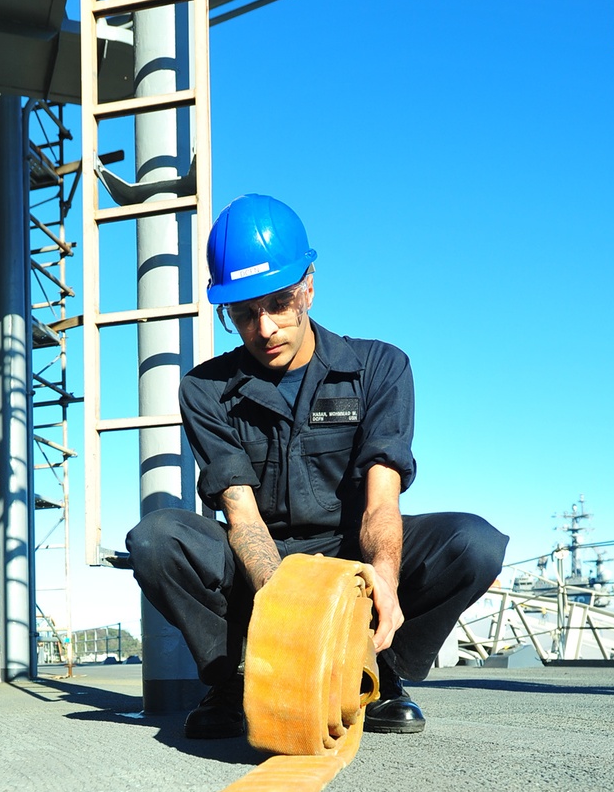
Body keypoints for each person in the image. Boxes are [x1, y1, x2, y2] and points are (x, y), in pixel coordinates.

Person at [126, 194, 508, 739]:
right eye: (243, 312)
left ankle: (378, 676)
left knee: (474, 543)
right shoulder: (203, 390)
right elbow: (241, 514)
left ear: (308, 285)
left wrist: (381, 577)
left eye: (279, 303)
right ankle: (235, 684)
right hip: (257, 558)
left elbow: (382, 498)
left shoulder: (380, 367)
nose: (264, 329)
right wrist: (292, 608)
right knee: (157, 538)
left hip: (352, 549)